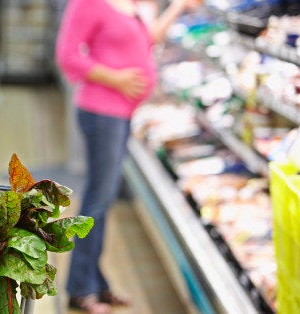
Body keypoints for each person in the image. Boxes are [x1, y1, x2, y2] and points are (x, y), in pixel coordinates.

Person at [55, 0, 202, 313]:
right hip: (100, 111)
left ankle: (97, 283)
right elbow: (67, 56)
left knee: (103, 201)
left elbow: (145, 40)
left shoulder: (129, 4)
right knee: (98, 200)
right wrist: (117, 79)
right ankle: (80, 289)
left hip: (120, 114)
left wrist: (177, 7)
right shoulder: (88, 3)